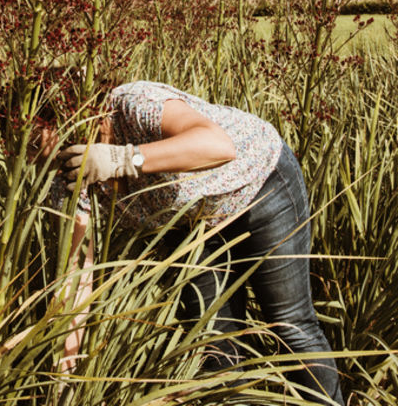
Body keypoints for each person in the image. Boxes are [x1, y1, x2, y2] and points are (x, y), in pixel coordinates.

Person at [48, 80, 344, 404]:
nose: (38, 155)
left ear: (70, 116)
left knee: (289, 324)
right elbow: (77, 277)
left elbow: (218, 145)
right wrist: (65, 376)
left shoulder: (133, 103)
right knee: (213, 343)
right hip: (190, 223)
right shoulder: (66, 178)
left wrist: (120, 159)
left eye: (39, 140)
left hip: (260, 185)